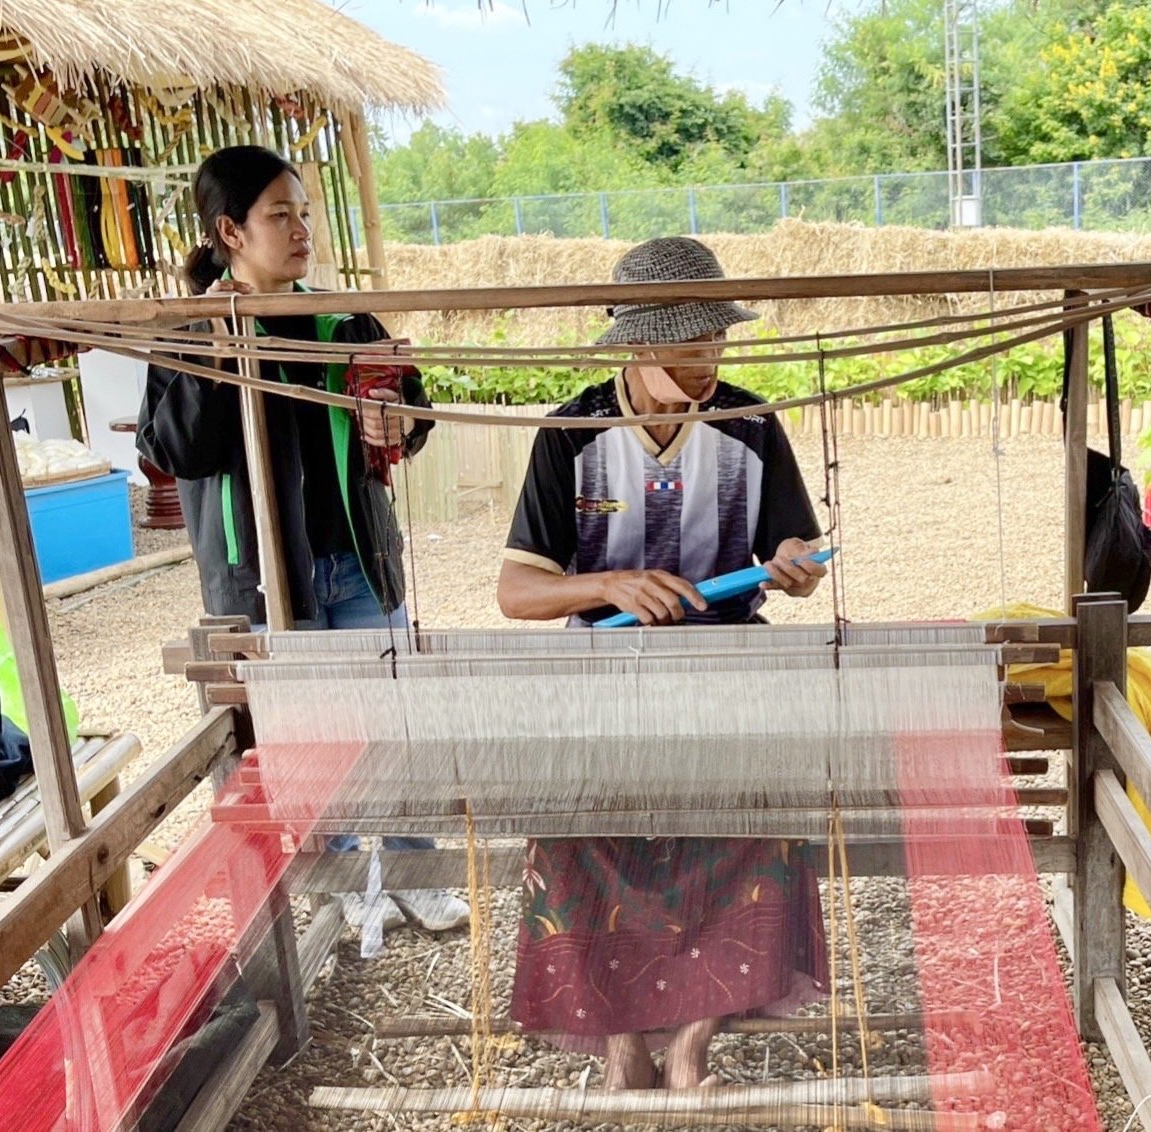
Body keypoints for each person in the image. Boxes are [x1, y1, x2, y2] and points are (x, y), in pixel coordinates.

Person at [497, 236, 830, 1089]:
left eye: (717, 340)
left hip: (728, 676)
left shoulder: (749, 426)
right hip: (604, 682)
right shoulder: (573, 434)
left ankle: (692, 1045)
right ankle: (622, 1048)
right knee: (574, 836)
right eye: (689, 345)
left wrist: (792, 564)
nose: (709, 359)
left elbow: (794, 549)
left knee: (755, 827)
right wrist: (607, 584)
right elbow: (515, 592)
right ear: (638, 341)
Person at [137, 145, 468, 935]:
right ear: (231, 230)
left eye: (305, 212)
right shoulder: (189, 331)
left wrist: (398, 423)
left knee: (390, 721)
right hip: (263, 574)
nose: (300, 229)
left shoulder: (344, 318)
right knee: (308, 737)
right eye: (280, 214)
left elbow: (407, 412)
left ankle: (416, 872)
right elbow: (176, 449)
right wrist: (219, 356)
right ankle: (351, 884)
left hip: (357, 559)